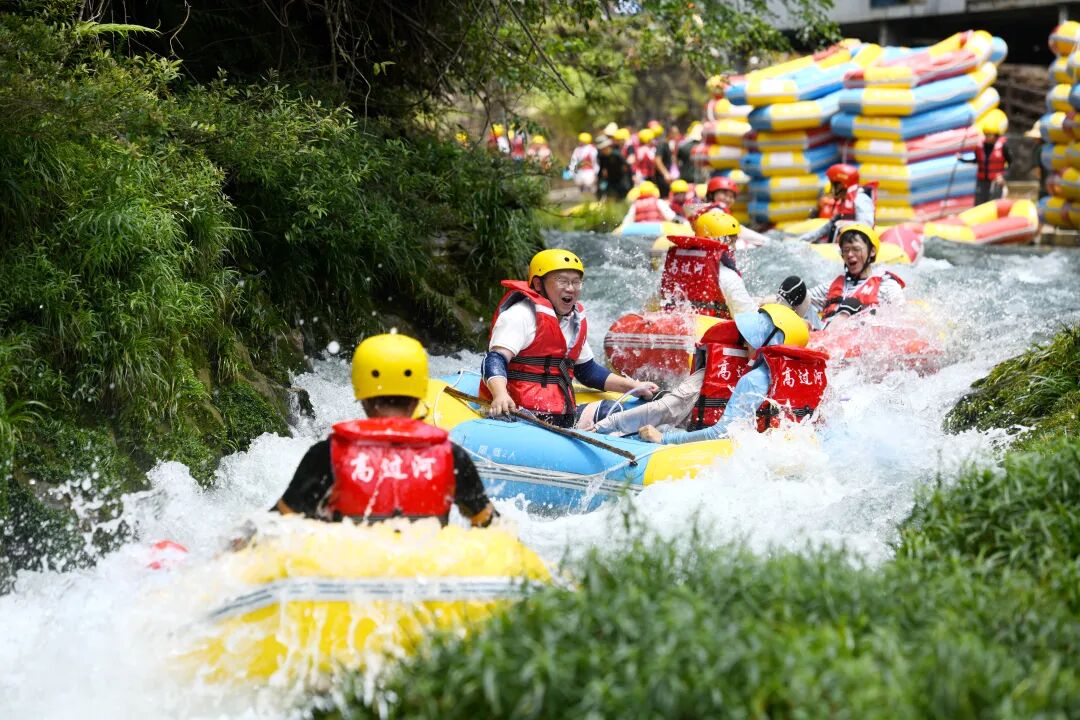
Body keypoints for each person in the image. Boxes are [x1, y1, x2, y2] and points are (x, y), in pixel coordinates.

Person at [274, 333, 497, 527]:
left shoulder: (327, 455)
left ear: (362, 397)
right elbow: (492, 528)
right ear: (419, 395)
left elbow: (275, 525)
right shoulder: (452, 457)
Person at [591, 305, 826, 444]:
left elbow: (721, 433)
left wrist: (664, 438)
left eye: (752, 337)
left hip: (724, 448)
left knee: (660, 428)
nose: (744, 343)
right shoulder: (810, 379)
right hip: (780, 451)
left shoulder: (753, 380)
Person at [480, 249, 658, 428]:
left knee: (621, 411)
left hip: (559, 413)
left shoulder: (574, 321)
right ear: (538, 284)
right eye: (563, 281)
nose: (571, 288)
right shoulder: (520, 315)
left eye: (576, 282)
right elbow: (495, 359)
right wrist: (500, 395)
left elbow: (587, 372)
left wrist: (633, 387)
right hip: (519, 412)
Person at [807, 224, 905, 326]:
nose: (850, 254)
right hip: (823, 331)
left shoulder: (886, 285)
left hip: (859, 333)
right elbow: (804, 300)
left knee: (851, 305)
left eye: (856, 249)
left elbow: (901, 318)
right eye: (846, 250)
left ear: (872, 251)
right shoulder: (831, 285)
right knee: (798, 289)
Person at [795, 164, 876, 244]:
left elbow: (867, 225)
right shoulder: (844, 202)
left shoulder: (860, 199)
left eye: (834, 185)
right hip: (844, 243)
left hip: (857, 245)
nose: (832, 189)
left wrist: (847, 224)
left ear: (841, 185)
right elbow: (828, 227)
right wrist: (802, 239)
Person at [962, 109, 1010, 205]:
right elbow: (977, 160)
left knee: (994, 203)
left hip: (996, 182)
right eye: (985, 134)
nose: (986, 137)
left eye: (989, 135)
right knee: (979, 204)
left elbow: (1012, 163)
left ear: (996, 136)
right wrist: (962, 159)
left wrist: (1004, 177)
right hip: (982, 181)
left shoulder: (1003, 146)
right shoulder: (980, 146)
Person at [597, 135, 633, 200]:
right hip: (611, 180)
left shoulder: (616, 154)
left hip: (621, 180)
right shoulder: (602, 157)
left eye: (603, 148)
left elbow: (626, 167)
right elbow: (602, 169)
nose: (602, 150)